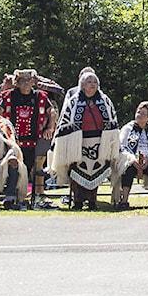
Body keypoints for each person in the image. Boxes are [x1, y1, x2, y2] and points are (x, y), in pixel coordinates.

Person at [50, 68, 119, 210]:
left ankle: (93, 201)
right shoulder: (73, 101)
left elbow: (112, 120)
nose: (92, 84)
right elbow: (65, 120)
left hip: (99, 141)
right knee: (77, 171)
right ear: (82, 84)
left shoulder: (105, 101)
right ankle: (78, 201)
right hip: (78, 142)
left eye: (95, 82)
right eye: (89, 82)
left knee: (96, 170)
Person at [0, 69, 58, 208]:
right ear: (16, 83)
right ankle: (12, 196)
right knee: (13, 167)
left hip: (33, 139)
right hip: (13, 140)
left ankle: (28, 197)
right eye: (23, 81)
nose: (26, 84)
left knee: (31, 167)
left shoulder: (40, 97)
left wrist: (50, 127)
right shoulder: (9, 96)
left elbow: (51, 111)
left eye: (29, 81)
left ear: (34, 82)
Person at [114, 101, 148, 209]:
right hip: (131, 160)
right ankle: (124, 201)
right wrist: (132, 159)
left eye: (143, 114)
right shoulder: (128, 128)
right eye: (138, 112)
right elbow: (121, 146)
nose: (139, 115)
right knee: (127, 167)